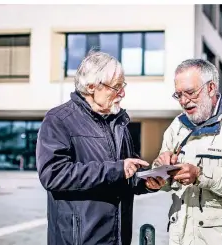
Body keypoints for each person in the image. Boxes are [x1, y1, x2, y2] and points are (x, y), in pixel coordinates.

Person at [36, 50, 165, 245]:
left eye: (123, 86)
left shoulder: (118, 122)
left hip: (118, 238)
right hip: (78, 240)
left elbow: (124, 175)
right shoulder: (58, 120)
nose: (122, 93)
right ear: (90, 86)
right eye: (116, 87)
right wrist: (116, 169)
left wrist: (145, 183)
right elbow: (53, 174)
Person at [154, 59, 222, 245]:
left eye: (189, 93)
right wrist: (159, 171)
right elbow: (162, 177)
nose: (183, 101)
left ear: (211, 88)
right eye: (178, 95)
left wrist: (200, 174)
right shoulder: (177, 126)